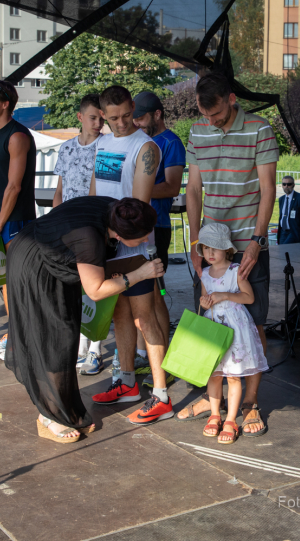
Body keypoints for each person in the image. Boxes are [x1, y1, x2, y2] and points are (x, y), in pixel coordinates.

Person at [5, 196, 164, 443]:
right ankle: (48, 415)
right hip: (34, 267)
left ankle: (60, 404)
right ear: (121, 236)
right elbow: (96, 290)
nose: (146, 240)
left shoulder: (116, 209)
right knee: (52, 337)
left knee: (66, 333)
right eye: (142, 237)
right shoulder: (90, 238)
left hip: (51, 258)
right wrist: (139, 274)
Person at [180, 72, 278, 437]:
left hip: (248, 245)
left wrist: (255, 238)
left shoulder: (259, 129)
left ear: (232, 98)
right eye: (205, 115)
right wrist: (194, 243)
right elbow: (192, 189)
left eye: (217, 114)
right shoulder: (197, 131)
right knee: (208, 324)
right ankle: (215, 397)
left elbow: (268, 189)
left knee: (252, 325)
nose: (212, 121)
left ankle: (250, 403)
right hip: (209, 248)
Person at [87, 85, 171, 425]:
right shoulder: (103, 142)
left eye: (126, 115)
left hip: (134, 245)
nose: (121, 123)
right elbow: (95, 191)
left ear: (133, 107)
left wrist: (122, 237)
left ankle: (162, 395)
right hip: (106, 243)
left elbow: (138, 206)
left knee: (143, 318)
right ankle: (126, 382)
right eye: (113, 118)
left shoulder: (146, 146)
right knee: (119, 315)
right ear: (104, 116)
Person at [196, 223, 269, 445]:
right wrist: (205, 301)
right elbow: (205, 301)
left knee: (233, 375)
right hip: (214, 328)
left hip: (235, 328)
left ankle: (230, 420)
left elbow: (249, 297)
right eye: (206, 248)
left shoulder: (235, 271)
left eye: (214, 248)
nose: (209, 253)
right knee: (214, 374)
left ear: (227, 250)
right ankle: (215, 414)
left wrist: (225, 295)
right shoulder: (205, 273)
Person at [132, 90, 187, 387]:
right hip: (132, 228)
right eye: (134, 118)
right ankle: (146, 355)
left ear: (157, 114)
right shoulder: (139, 140)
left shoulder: (171, 142)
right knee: (139, 295)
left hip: (157, 226)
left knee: (155, 293)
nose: (137, 123)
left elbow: (172, 187)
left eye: (141, 117)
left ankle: (161, 359)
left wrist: (136, 189)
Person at [52, 94, 106, 374]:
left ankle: (95, 347)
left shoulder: (105, 147)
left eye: (101, 118)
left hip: (93, 224)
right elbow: (59, 190)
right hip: (68, 226)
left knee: (95, 287)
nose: (98, 123)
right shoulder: (66, 149)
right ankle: (81, 342)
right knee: (73, 286)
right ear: (80, 117)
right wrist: (56, 220)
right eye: (93, 117)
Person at [0, 80, 37, 319]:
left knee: (17, 280)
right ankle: (14, 333)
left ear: (5, 104)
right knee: (3, 279)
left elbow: (14, 187)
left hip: (16, 220)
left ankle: (19, 337)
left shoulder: (17, 136)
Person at [276, 176, 300, 244]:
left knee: (286, 248)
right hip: (283, 232)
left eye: (289, 184)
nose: (286, 186)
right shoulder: (281, 199)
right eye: (284, 184)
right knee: (281, 252)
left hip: (294, 232)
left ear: (293, 185)